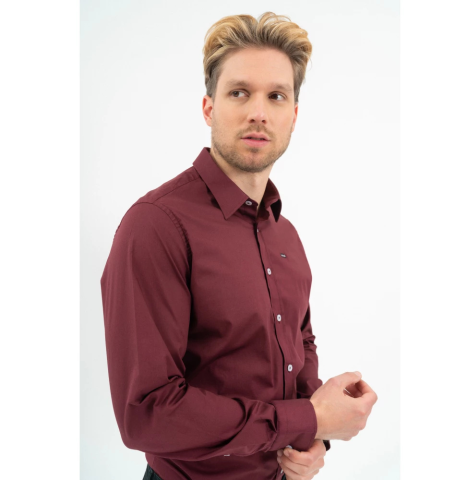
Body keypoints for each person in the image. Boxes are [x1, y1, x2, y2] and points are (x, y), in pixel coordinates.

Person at [100, 11, 378, 480]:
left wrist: (314, 439)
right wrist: (308, 418)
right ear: (209, 108)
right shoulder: (156, 226)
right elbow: (146, 413)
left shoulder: (285, 234)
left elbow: (300, 342)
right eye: (239, 92)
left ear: (294, 115)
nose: (258, 113)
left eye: (276, 96)